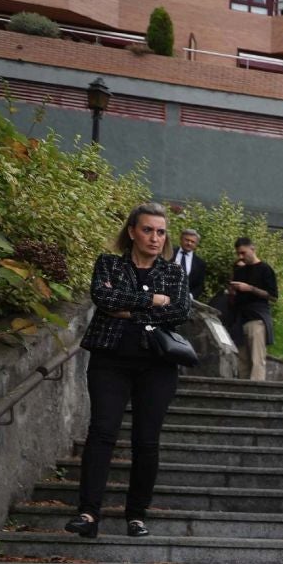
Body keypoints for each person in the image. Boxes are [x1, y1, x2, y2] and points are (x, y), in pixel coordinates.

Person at [70, 199, 194, 541]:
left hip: (157, 365)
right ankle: (88, 513)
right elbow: (103, 298)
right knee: (102, 432)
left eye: (161, 232)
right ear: (132, 232)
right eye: (148, 230)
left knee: (146, 441)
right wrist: (153, 301)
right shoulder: (109, 264)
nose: (155, 238)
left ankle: (136, 515)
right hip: (110, 359)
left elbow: (180, 312)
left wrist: (128, 308)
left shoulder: (173, 272)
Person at [223, 236, 277, 383]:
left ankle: (256, 393)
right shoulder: (240, 271)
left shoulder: (265, 269)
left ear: (252, 249)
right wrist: (232, 292)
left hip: (257, 318)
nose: (241, 256)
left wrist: (250, 289)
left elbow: (272, 296)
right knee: (242, 364)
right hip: (240, 319)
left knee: (257, 361)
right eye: (239, 253)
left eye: (243, 253)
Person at [173, 227, 206, 299]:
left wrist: (190, 296)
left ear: (196, 244)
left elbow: (200, 285)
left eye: (192, 241)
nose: (189, 243)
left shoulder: (200, 264)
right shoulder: (169, 253)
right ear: (181, 239)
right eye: (187, 240)